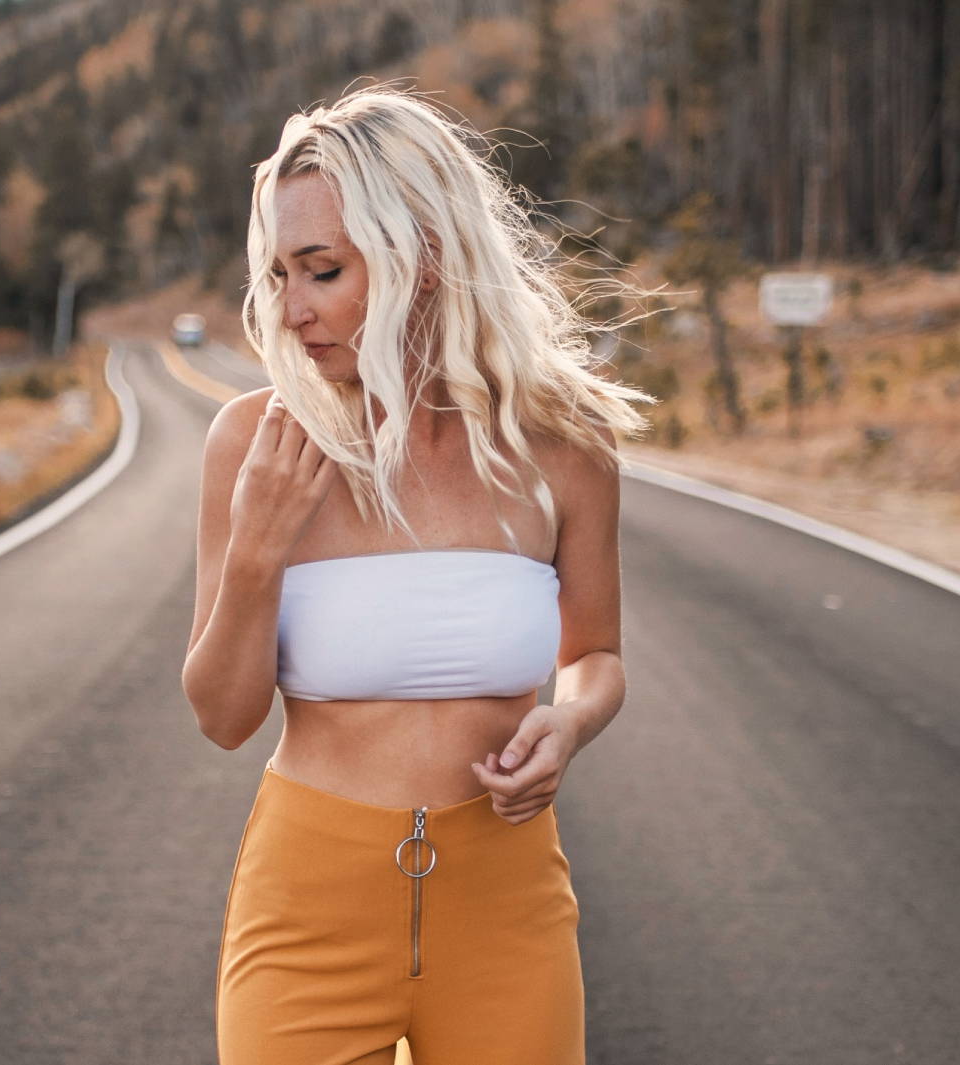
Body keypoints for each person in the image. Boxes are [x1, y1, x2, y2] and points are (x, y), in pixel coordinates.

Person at [182, 85, 656, 1065]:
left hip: (506, 902)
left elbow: (596, 653)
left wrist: (566, 721)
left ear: (423, 255)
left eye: (321, 270)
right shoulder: (254, 444)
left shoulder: (561, 443)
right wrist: (258, 550)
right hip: (305, 906)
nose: (292, 309)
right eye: (277, 275)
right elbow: (222, 717)